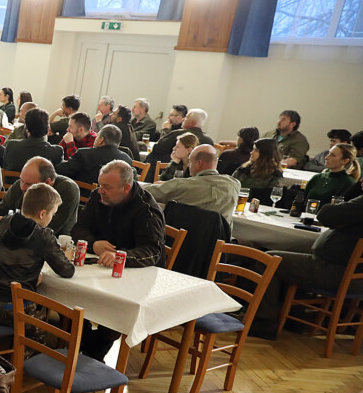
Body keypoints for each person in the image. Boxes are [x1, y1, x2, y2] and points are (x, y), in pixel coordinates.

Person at [71, 160, 166, 358]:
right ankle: (77, 350)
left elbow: (152, 251)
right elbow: (78, 229)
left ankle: (89, 358)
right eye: (99, 184)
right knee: (75, 296)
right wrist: (93, 243)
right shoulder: (99, 197)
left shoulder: (146, 210)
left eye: (107, 187)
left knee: (107, 312)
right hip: (100, 270)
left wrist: (119, 256)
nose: (100, 191)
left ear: (126, 188)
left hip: (136, 277)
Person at [250, 195, 363, 338]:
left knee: (268, 260)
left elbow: (326, 214)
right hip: (351, 273)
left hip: (338, 272)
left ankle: (265, 321)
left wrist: (341, 218)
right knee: (292, 249)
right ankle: (293, 315)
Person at [0, 183, 75, 329]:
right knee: (42, 332)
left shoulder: (5, 222)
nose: (52, 217)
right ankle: (24, 351)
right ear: (42, 214)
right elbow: (66, 270)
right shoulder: (44, 235)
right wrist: (67, 258)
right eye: (53, 213)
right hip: (16, 310)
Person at [0, 156, 80, 236]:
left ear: (47, 182)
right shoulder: (22, 183)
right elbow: (2, 208)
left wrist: (8, 223)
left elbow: (49, 228)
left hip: (52, 244)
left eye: (29, 184)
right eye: (21, 180)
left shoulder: (68, 189)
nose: (22, 187)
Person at [145, 144, 241, 225]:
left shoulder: (183, 185)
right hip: (219, 241)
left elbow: (149, 192)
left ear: (199, 163)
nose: (188, 165)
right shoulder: (235, 184)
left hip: (184, 239)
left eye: (190, 162)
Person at [57, 125, 134, 185]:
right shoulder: (127, 159)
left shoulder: (84, 154)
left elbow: (60, 170)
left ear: (101, 140)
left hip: (84, 196)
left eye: (97, 136)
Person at [145, 108, 214, 171]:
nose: (183, 119)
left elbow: (157, 147)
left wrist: (165, 130)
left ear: (192, 122)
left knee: (153, 155)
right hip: (198, 171)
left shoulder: (179, 134)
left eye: (186, 117)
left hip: (175, 169)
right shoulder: (209, 140)